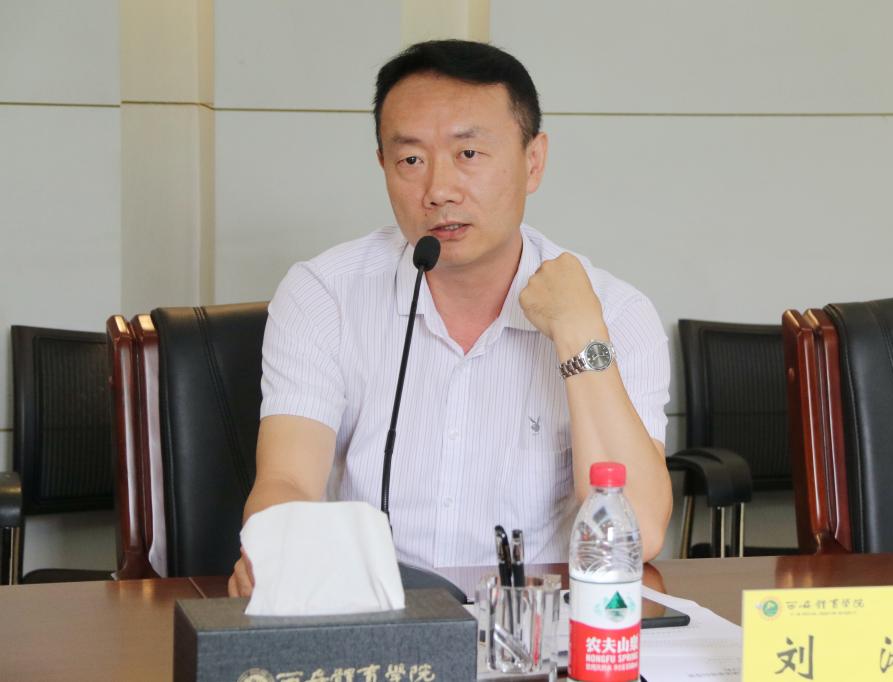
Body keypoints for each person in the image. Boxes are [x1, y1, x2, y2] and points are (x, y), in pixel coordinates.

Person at [229, 40, 672, 598]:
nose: (438, 190)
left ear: (533, 162)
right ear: (383, 166)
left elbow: (638, 531)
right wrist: (278, 546)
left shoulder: (616, 312)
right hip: (376, 614)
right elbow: (288, 479)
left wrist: (579, 335)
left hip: (536, 623)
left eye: (469, 154)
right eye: (411, 160)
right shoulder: (326, 294)